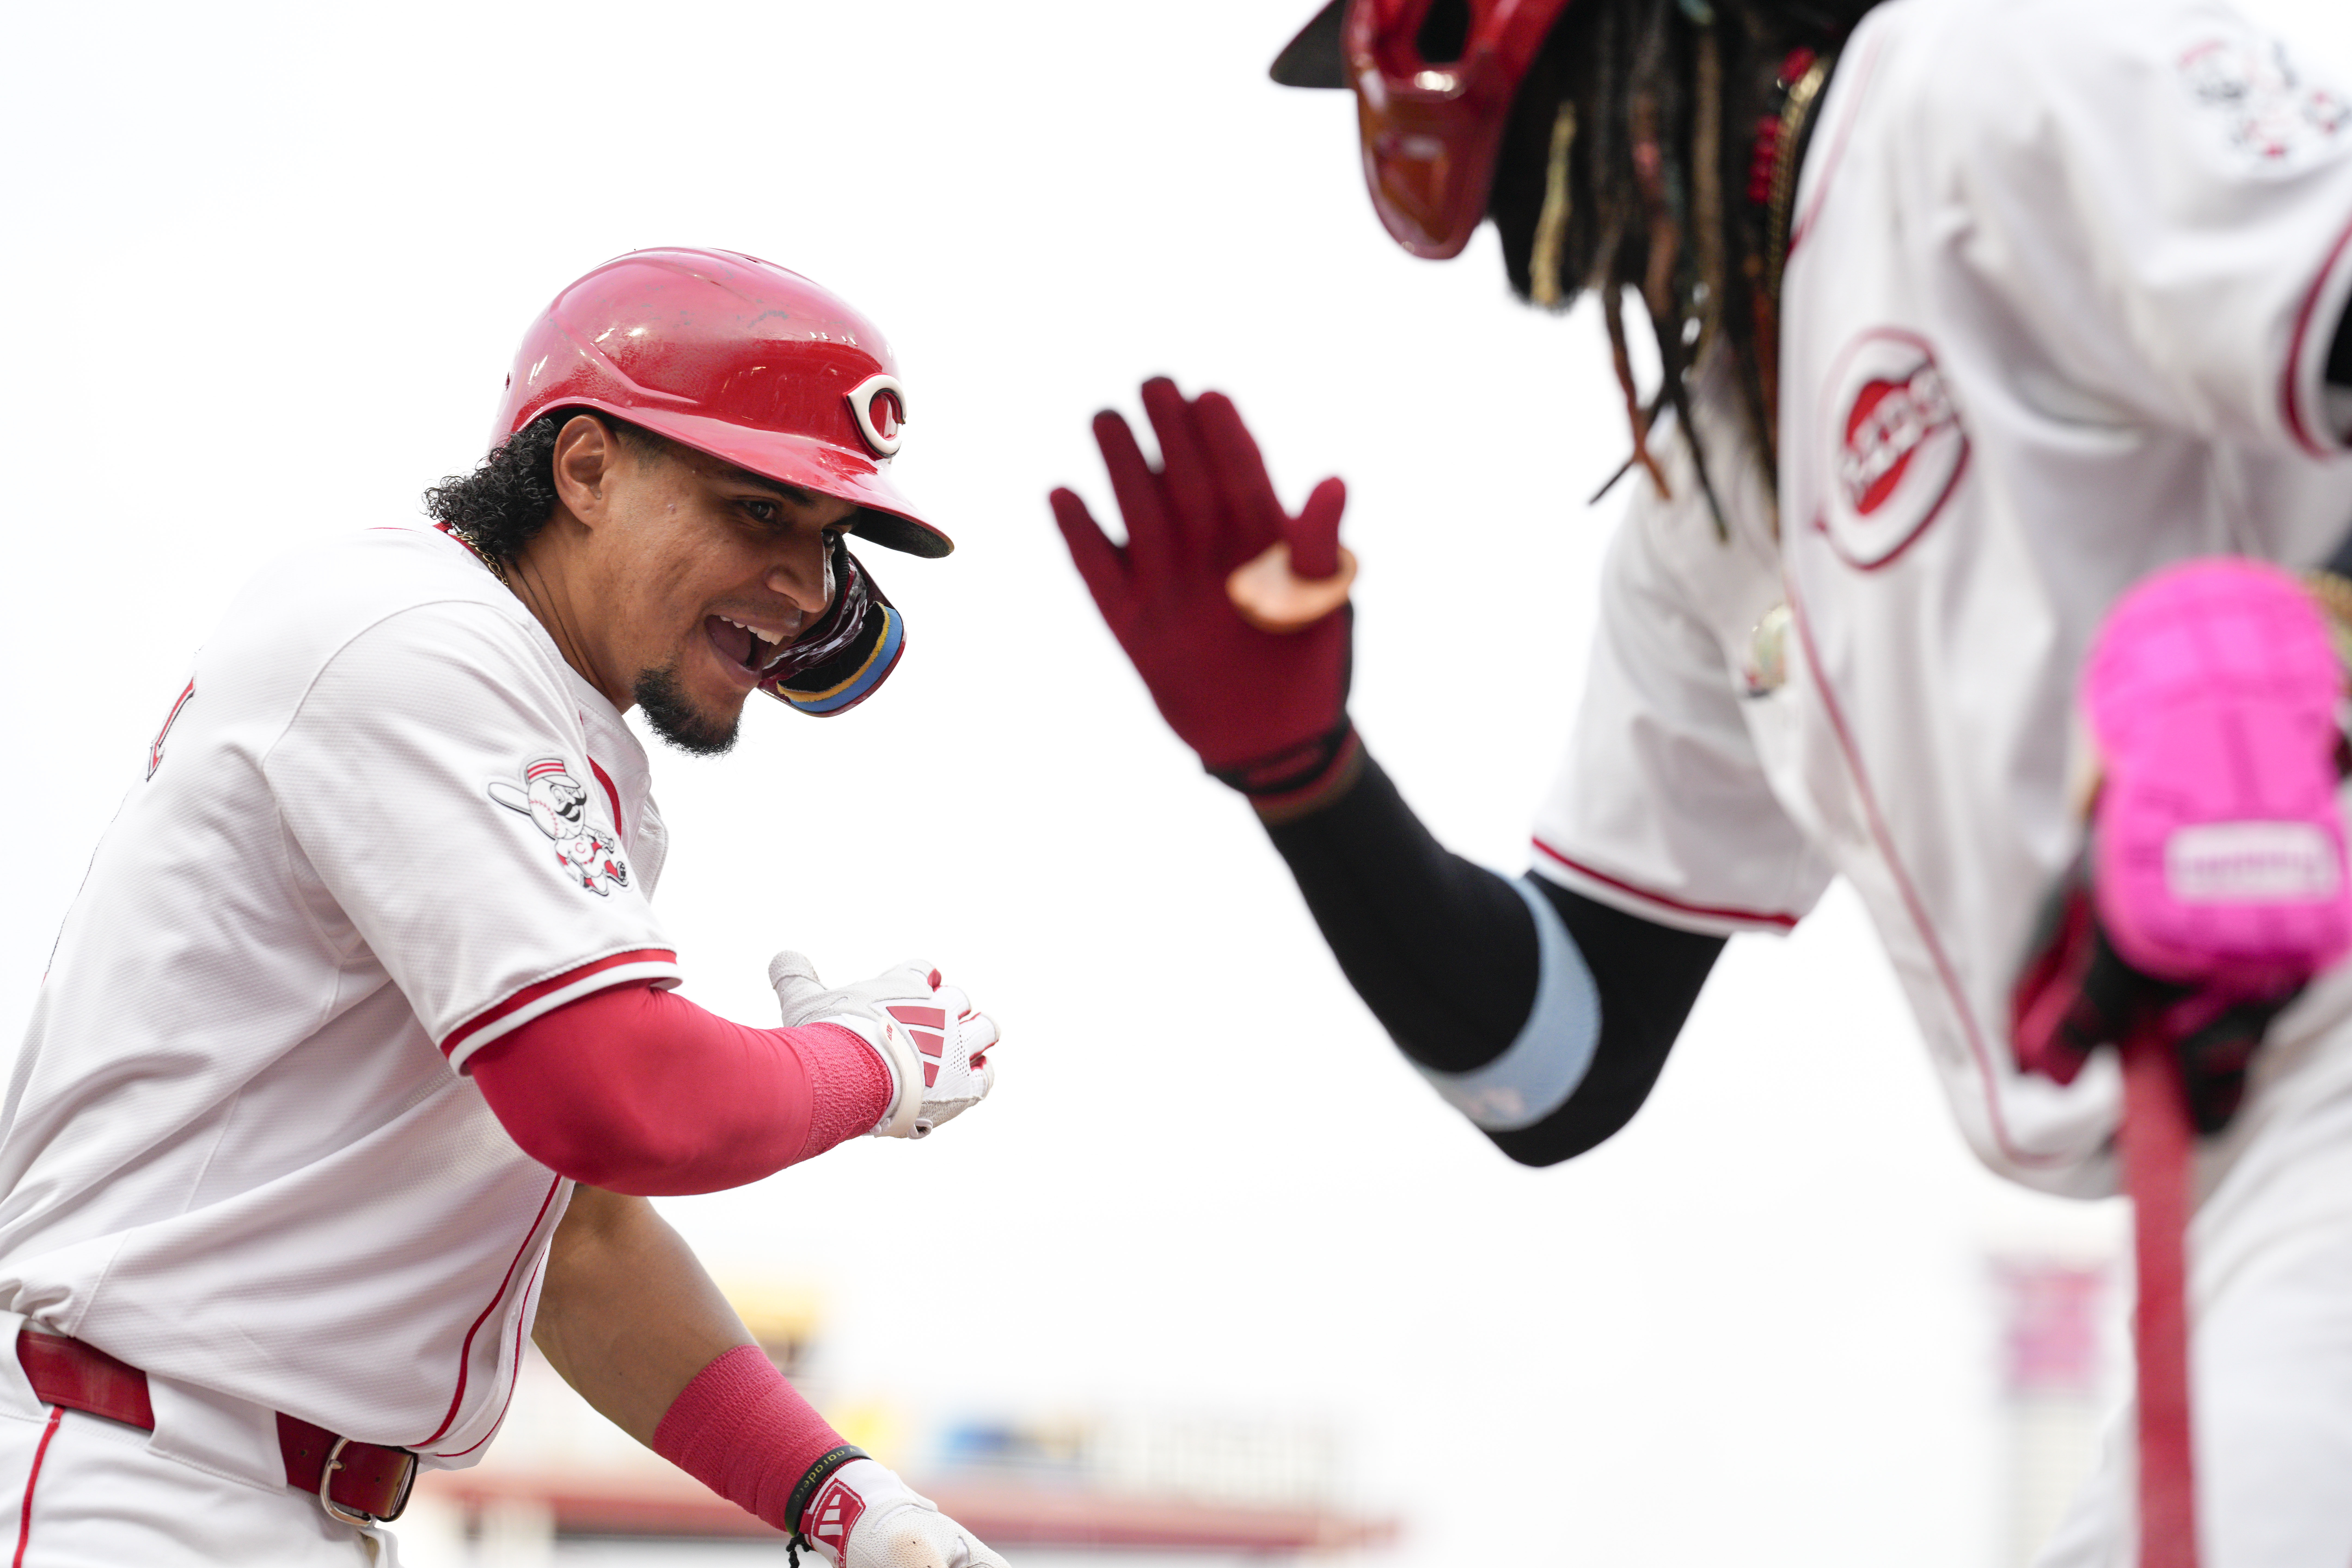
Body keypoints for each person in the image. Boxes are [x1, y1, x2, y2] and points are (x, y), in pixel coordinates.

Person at [1049, 2, 2352, 1563]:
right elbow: (1558, 1060)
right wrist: (1305, 778)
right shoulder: (1712, 490)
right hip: (2215, 1201)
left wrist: (2314, 619)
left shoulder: (1972, 72)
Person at [0, 247, 1009, 1567]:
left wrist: (841, 1495)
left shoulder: (543, 712)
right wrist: (865, 1064)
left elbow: (576, 1234)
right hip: (135, 1473)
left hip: (261, 1497)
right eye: (760, 513)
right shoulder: (416, 634)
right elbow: (619, 1099)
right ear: (584, 470)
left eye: (826, 541)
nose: (812, 590)